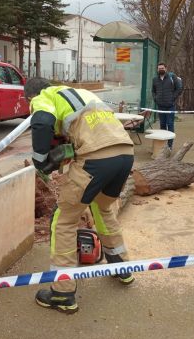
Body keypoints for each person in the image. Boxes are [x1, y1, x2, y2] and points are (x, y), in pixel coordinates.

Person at [25, 77, 135, 314]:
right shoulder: (82, 95)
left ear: (30, 97)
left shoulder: (45, 97)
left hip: (95, 160)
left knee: (63, 220)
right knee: (103, 208)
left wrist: (41, 160)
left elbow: (42, 123)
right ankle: (121, 267)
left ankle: (62, 292)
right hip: (125, 154)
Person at [151, 62, 183, 148]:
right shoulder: (155, 79)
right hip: (160, 106)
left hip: (170, 106)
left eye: (162, 68)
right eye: (159, 68)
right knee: (162, 124)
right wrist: (155, 98)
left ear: (166, 68)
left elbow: (179, 88)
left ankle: (170, 145)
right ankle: (163, 144)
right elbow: (153, 91)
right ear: (157, 69)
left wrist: (173, 97)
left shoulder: (172, 77)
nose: (161, 69)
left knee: (170, 124)